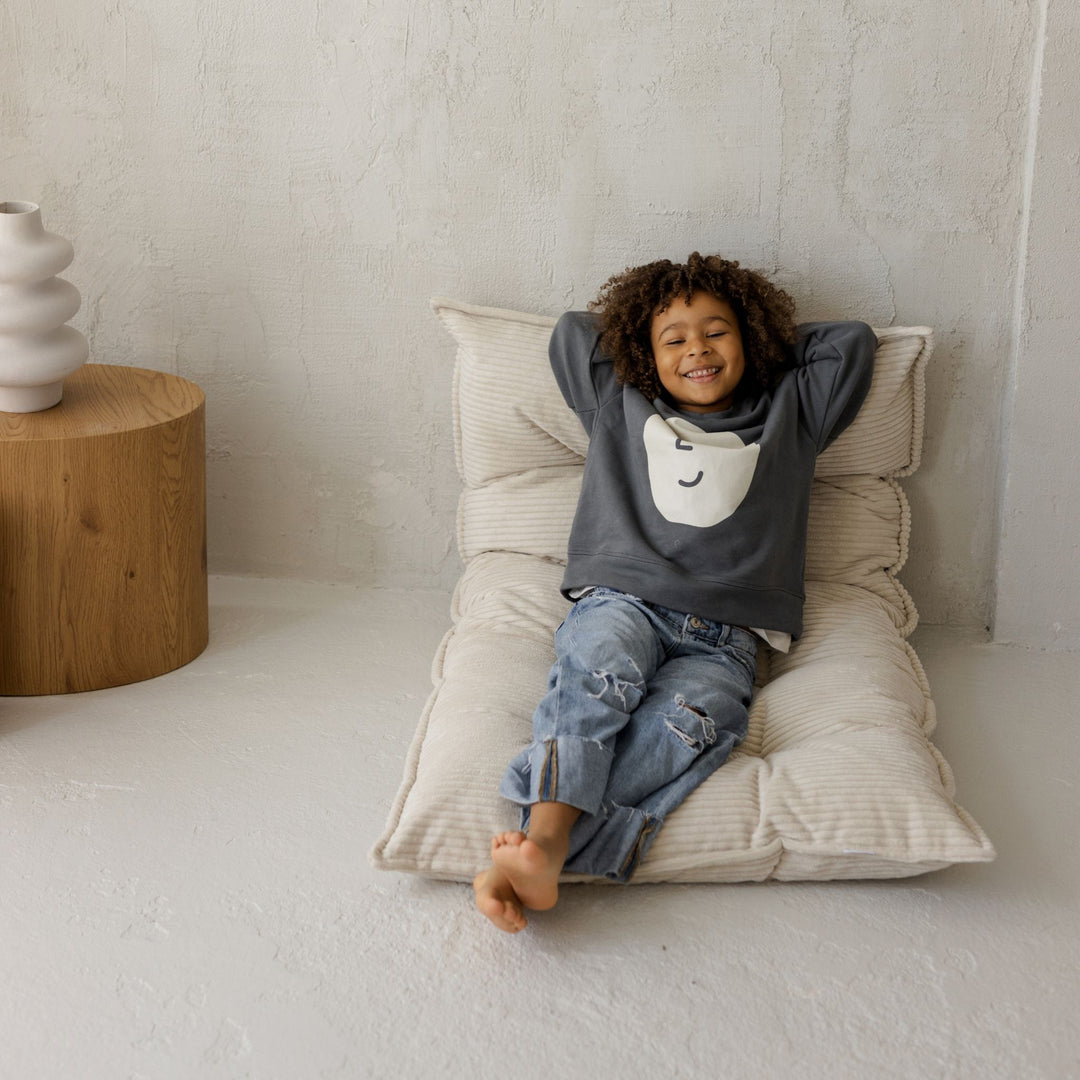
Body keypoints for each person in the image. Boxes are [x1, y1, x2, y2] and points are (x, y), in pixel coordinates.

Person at [473, 252, 878, 933]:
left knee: (690, 724)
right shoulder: (620, 402)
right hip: (622, 599)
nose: (697, 348)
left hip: (728, 639)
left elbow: (852, 343)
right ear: (642, 352)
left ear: (750, 339)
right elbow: (576, 332)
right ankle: (542, 840)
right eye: (674, 338)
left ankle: (552, 848)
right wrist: (644, 331)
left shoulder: (794, 411)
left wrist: (767, 341)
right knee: (601, 672)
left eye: (718, 331)